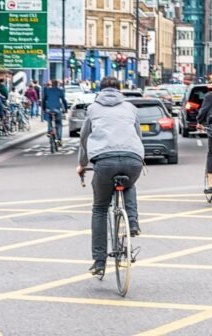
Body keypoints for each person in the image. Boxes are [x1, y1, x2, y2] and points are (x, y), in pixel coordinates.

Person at [76, 76, 145, 275]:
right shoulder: (130, 108)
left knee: (99, 208)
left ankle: (99, 262)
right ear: (119, 89)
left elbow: (84, 139)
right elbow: (138, 137)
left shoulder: (93, 109)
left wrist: (82, 165)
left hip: (104, 161)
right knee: (129, 184)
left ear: (100, 89)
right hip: (133, 158)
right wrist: (139, 157)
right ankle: (132, 222)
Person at [43, 79, 68, 146]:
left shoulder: (47, 90)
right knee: (59, 124)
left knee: (49, 120)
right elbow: (64, 100)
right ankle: (59, 139)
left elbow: (44, 99)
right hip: (57, 109)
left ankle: (49, 131)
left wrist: (43, 108)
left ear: (51, 84)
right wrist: (66, 109)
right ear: (57, 84)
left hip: (49, 109)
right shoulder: (60, 91)